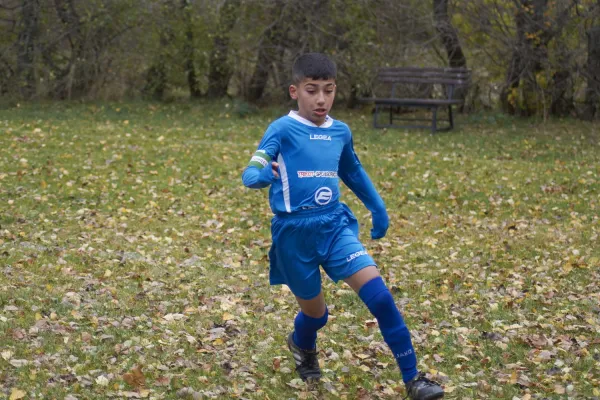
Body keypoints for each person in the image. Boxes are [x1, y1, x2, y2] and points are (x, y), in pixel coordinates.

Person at [241, 53, 444, 400]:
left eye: (328, 90)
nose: (321, 99)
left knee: (381, 299)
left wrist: (377, 208)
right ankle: (302, 343)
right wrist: (259, 175)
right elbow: (253, 168)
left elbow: (351, 170)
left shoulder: (340, 131)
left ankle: (414, 380)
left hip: (335, 226)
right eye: (312, 90)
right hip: (294, 236)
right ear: (295, 91)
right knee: (316, 316)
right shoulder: (281, 129)